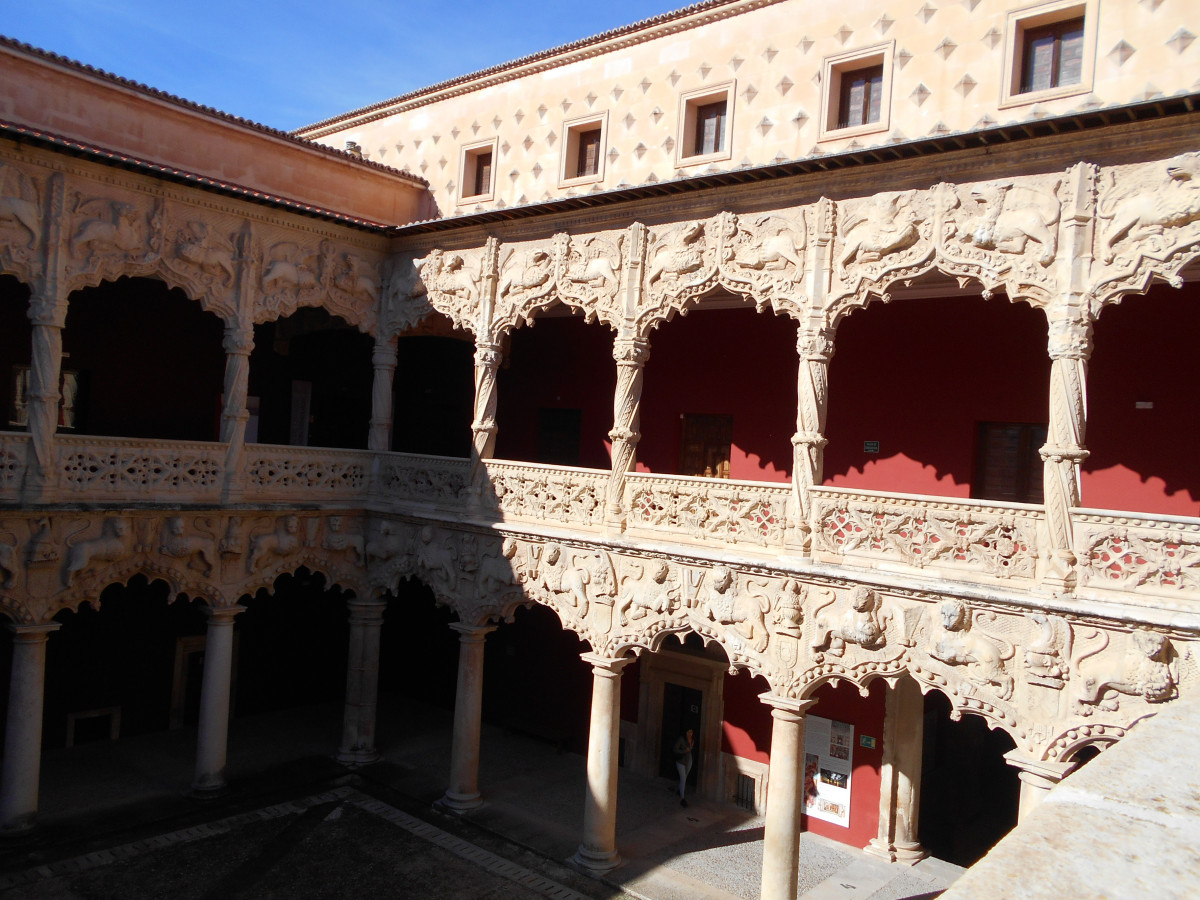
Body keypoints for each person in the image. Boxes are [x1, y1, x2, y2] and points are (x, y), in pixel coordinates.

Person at [673, 728, 695, 807]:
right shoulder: (681, 739)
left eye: (691, 732)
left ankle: (679, 791)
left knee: (685, 777)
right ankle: (682, 798)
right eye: (688, 732)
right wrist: (684, 751)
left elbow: (690, 750)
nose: (690, 734)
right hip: (681, 761)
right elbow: (675, 749)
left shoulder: (692, 740)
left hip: (689, 761)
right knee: (683, 778)